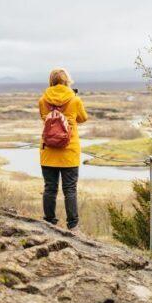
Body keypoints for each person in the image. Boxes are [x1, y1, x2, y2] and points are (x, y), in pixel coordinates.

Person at [38, 68, 88, 230]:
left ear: (51, 81)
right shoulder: (75, 100)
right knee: (70, 189)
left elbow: (43, 118)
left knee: (50, 188)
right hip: (69, 151)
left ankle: (49, 221)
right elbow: (83, 118)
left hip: (48, 151)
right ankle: (73, 225)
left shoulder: (43, 100)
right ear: (67, 81)